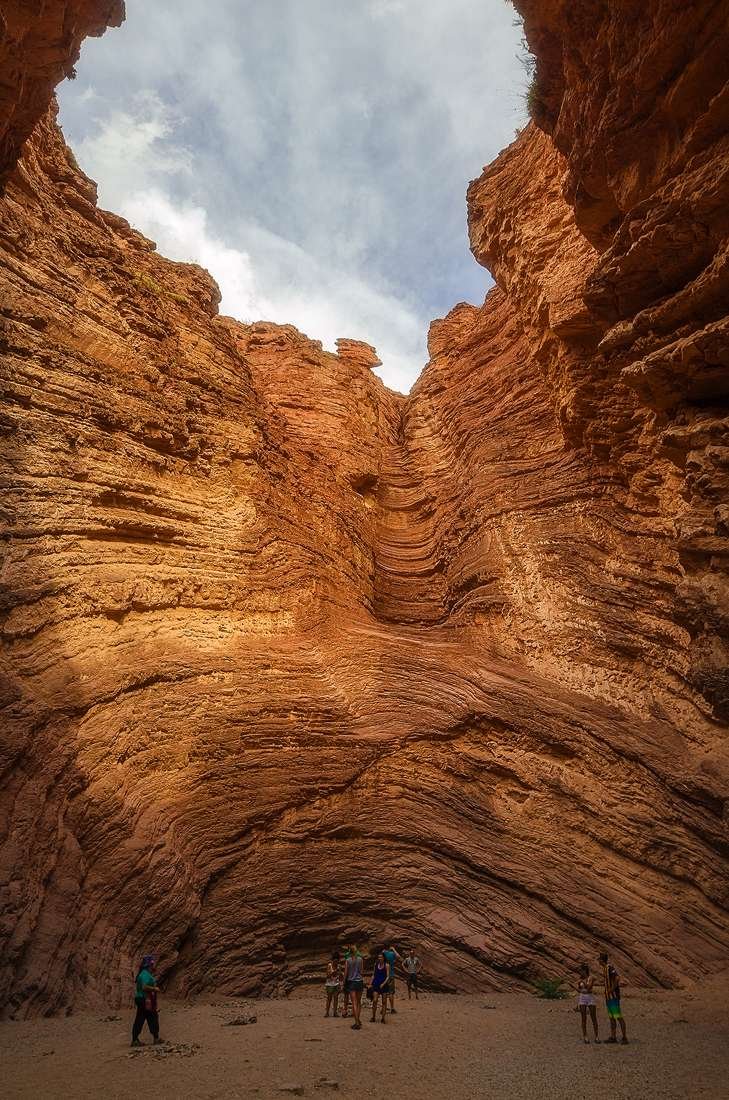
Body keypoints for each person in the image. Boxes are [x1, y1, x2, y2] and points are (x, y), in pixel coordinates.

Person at [131, 955, 162, 1046]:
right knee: (145, 1018)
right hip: (144, 999)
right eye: (152, 964)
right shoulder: (144, 974)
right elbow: (144, 987)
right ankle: (136, 1040)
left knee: (149, 1017)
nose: (153, 966)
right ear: (149, 965)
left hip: (145, 999)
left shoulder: (145, 973)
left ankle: (154, 1038)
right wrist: (154, 989)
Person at [599, 950, 628, 1044]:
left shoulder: (609, 967)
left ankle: (624, 1037)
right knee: (612, 1017)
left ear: (601, 960)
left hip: (613, 997)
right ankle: (613, 1036)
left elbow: (617, 978)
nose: (598, 961)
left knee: (618, 1016)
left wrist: (611, 989)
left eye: (599, 960)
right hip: (608, 997)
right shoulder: (605, 969)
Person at [576, 962, 599, 1044]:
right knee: (583, 1018)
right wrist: (578, 985)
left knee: (593, 1017)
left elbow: (589, 987)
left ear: (585, 971)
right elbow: (579, 989)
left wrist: (583, 982)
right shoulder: (580, 978)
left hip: (590, 997)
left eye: (581, 971)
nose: (580, 972)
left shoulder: (590, 978)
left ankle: (596, 1036)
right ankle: (585, 1036)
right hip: (582, 997)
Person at [342, 943, 365, 1029]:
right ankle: (358, 1020)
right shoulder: (360, 959)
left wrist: (343, 983)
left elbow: (346, 973)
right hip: (359, 982)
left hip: (351, 982)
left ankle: (356, 1022)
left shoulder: (347, 960)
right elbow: (362, 972)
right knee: (359, 1003)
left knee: (354, 1003)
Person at [369, 952, 390, 1023]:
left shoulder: (386, 965)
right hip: (376, 984)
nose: (379, 958)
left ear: (384, 958)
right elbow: (373, 975)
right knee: (375, 1001)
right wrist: (370, 983)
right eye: (379, 957)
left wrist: (383, 983)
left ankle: (383, 1018)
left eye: (381, 957)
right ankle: (373, 1016)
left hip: (384, 985)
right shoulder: (376, 965)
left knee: (384, 1002)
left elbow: (388, 976)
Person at [382, 942, 401, 1014]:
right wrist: (394, 949)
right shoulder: (392, 954)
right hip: (391, 975)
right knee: (390, 993)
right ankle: (392, 1008)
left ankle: (383, 1008)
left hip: (383, 975)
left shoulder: (383, 953)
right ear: (390, 947)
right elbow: (399, 957)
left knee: (384, 992)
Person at [325, 952, 342, 1017]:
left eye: (337, 960)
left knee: (336, 998)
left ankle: (335, 1012)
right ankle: (327, 1012)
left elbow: (340, 976)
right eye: (335, 960)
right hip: (329, 984)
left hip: (336, 983)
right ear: (333, 960)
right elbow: (327, 975)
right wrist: (334, 972)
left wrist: (341, 983)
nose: (336, 962)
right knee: (329, 998)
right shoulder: (329, 965)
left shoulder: (339, 966)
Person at [340, 945, 352, 1018]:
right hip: (353, 978)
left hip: (348, 977)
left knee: (347, 995)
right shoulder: (358, 956)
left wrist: (343, 982)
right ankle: (351, 1010)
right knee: (351, 995)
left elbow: (346, 968)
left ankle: (345, 1010)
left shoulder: (347, 956)